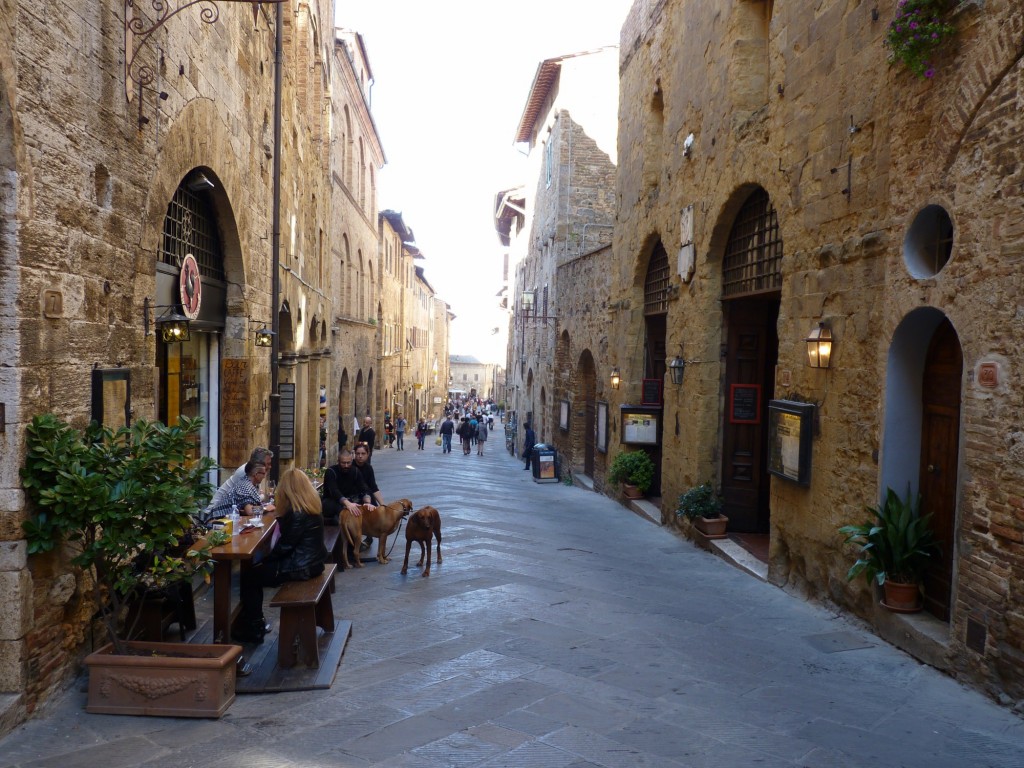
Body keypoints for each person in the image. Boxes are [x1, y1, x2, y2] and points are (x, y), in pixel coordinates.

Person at [232, 468, 326, 644]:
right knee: (254, 572)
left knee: (250, 576)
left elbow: (285, 547)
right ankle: (252, 621)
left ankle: (255, 627)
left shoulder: (298, 514)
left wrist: (265, 560)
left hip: (300, 568)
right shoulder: (309, 507)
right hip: (313, 563)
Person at [205, 447, 273, 520]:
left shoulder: (249, 479)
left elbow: (244, 506)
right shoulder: (245, 482)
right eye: (263, 473)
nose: (264, 476)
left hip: (223, 517)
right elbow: (249, 511)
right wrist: (266, 508)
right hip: (215, 519)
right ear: (256, 473)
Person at [320, 449, 372, 522]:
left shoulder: (355, 471)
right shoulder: (331, 472)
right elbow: (334, 491)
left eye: (348, 463)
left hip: (350, 500)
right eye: (343, 463)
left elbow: (363, 488)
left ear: (351, 461)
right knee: (341, 508)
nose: (346, 466)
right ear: (338, 461)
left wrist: (367, 503)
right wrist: (347, 503)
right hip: (332, 502)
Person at [353, 442, 383, 552]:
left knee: (375, 513)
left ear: (368, 454)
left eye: (363, 453)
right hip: (355, 497)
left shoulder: (368, 468)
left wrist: (383, 505)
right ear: (354, 454)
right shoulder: (351, 467)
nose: (360, 456)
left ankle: (369, 538)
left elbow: (374, 487)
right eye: (358, 453)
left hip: (368, 496)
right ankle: (357, 540)